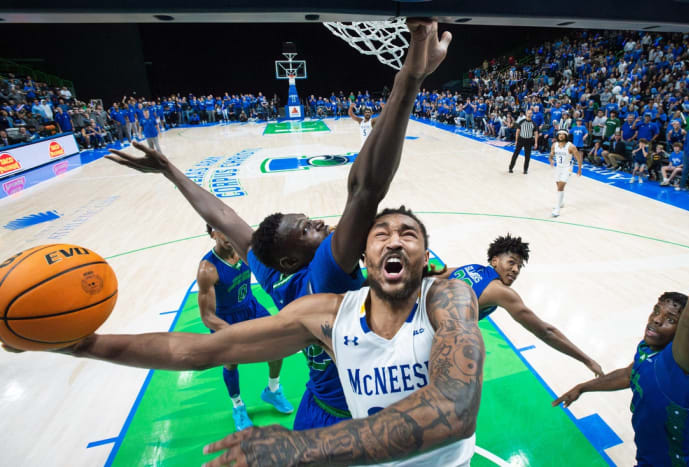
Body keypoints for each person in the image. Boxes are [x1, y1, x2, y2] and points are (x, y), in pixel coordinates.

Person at [106, 18, 452, 430]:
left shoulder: (272, 274)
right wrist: (408, 80)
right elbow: (365, 188)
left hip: (316, 405)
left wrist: (170, 170)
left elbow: (222, 216)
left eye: (309, 221)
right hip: (354, 418)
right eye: (306, 230)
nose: (320, 225)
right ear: (292, 259)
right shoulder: (325, 273)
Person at [6, 207, 485, 467]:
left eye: (409, 234)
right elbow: (197, 350)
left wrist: (303, 447)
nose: (394, 239)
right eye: (380, 233)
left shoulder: (448, 298)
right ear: (363, 252)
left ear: (426, 257)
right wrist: (80, 344)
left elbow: (454, 411)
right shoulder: (323, 313)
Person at [553, 278, 689, 466]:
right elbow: (628, 374)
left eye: (671, 320)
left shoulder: (679, 363)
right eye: (656, 311)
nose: (656, 319)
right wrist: (583, 387)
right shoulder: (647, 349)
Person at [439, 234, 603, 376]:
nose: (516, 269)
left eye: (519, 266)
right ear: (495, 261)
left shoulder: (471, 268)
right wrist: (586, 360)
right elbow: (545, 332)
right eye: (511, 262)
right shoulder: (501, 292)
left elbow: (430, 276)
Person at [198, 224, 293, 430]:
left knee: (278, 345)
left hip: (251, 307)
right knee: (231, 363)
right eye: (219, 229)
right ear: (212, 233)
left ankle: (273, 390)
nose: (227, 233)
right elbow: (207, 316)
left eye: (227, 228)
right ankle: (238, 406)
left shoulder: (245, 252)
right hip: (225, 318)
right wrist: (232, 333)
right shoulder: (208, 269)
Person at [549, 129, 582, 218]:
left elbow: (578, 158)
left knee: (560, 187)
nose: (561, 135)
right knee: (558, 186)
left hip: (567, 168)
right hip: (558, 167)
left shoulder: (571, 146)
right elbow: (551, 154)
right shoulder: (554, 145)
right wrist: (551, 159)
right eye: (560, 134)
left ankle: (557, 209)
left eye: (563, 134)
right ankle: (562, 202)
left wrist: (579, 169)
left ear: (566, 136)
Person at [508, 108, 538, 174]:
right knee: (515, 154)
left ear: (532, 114)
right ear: (526, 114)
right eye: (528, 113)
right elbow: (517, 131)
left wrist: (536, 143)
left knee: (527, 156)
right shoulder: (521, 121)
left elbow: (536, 134)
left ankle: (525, 170)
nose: (529, 114)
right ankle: (510, 168)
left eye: (530, 113)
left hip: (529, 140)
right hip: (521, 139)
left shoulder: (534, 123)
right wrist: (516, 140)